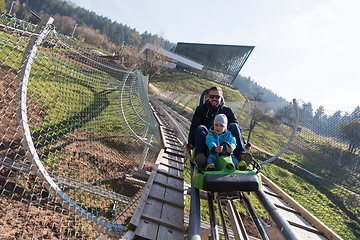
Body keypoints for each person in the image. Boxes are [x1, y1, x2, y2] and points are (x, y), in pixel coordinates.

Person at [186, 86, 251, 168]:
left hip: (225, 140)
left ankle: (240, 155)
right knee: (200, 128)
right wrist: (190, 143)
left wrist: (244, 142)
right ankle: (201, 157)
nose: (214, 99)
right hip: (208, 139)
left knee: (233, 125)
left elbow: (237, 129)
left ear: (221, 97)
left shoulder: (227, 111)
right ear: (208, 97)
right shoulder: (201, 109)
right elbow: (194, 127)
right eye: (212, 96)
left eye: (217, 97)